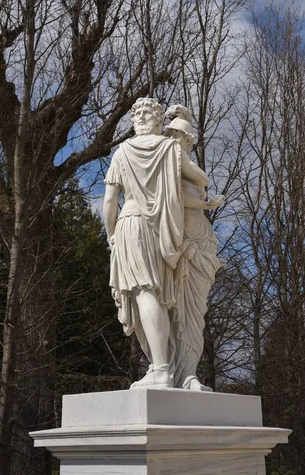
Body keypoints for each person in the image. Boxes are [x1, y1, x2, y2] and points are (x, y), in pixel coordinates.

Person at [103, 97, 209, 388]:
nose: (140, 118)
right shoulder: (170, 149)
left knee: (144, 293)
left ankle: (161, 368)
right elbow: (201, 179)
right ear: (158, 122)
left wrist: (111, 234)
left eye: (141, 114)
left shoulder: (122, 152)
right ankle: (161, 367)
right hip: (161, 231)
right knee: (157, 296)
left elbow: (110, 203)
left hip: (131, 223)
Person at [164, 105, 224, 391]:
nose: (179, 142)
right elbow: (199, 182)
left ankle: (188, 373)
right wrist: (206, 203)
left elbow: (198, 180)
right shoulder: (172, 162)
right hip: (183, 240)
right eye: (175, 136)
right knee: (180, 311)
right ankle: (179, 374)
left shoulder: (179, 160)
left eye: (183, 138)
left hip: (202, 241)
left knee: (195, 313)